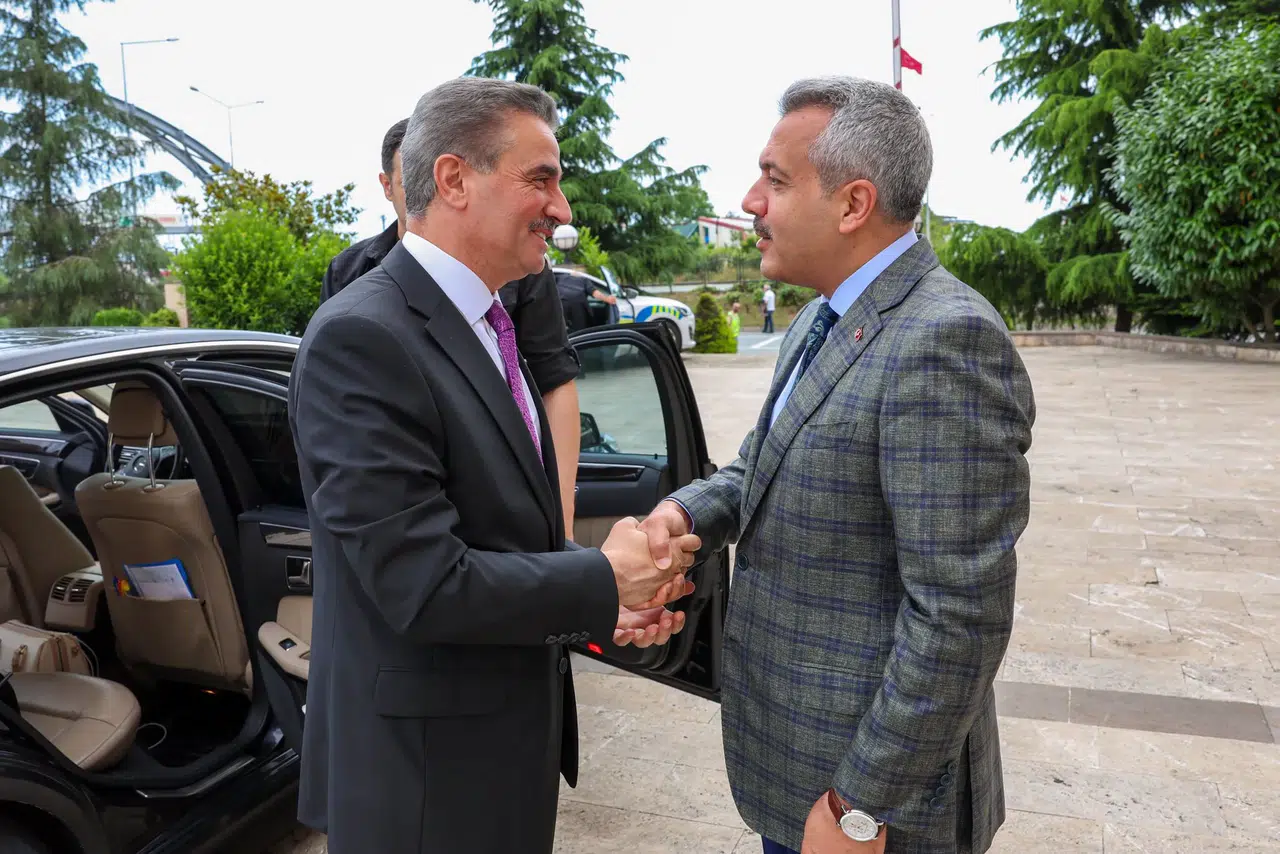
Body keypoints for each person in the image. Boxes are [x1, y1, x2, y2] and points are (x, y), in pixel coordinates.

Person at [288, 77, 701, 854]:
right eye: (540, 179)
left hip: (492, 760)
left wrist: (598, 600)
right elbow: (423, 583)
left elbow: (494, 533)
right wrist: (600, 578)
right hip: (425, 785)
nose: (562, 208)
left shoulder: (485, 319)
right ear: (454, 179)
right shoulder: (362, 338)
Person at [640, 76, 1036, 854]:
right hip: (797, 766)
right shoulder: (821, 318)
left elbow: (959, 617)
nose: (750, 200)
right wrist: (682, 514)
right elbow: (759, 467)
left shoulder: (942, 340)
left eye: (776, 179)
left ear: (853, 204)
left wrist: (860, 805)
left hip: (872, 808)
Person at [320, 117, 585, 540]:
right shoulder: (351, 307)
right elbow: (406, 553)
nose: (561, 211)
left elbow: (553, 379)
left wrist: (562, 531)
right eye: (538, 180)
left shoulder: (521, 272)